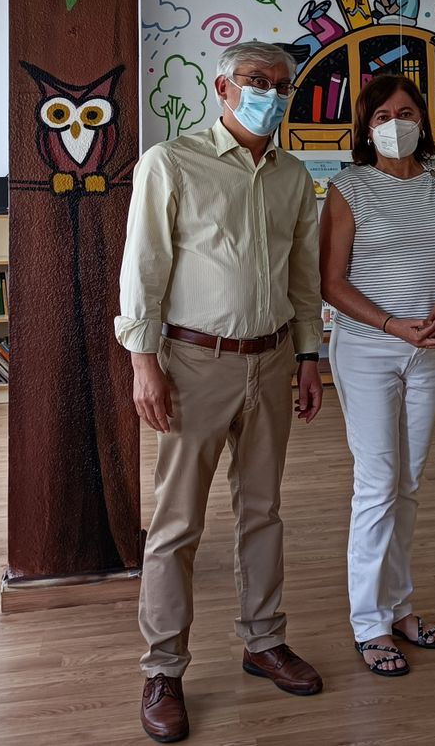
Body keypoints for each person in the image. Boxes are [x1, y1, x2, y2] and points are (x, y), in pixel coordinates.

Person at [117, 41, 326, 744]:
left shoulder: (294, 176)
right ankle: (164, 668)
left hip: (270, 362)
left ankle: (263, 640)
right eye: (254, 81)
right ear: (222, 86)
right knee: (177, 524)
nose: (269, 92)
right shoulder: (171, 162)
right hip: (191, 362)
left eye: (280, 84)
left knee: (264, 511)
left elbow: (304, 277)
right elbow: (143, 268)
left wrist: (307, 357)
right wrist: (144, 362)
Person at [319, 75, 435, 677]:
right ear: (366, 127)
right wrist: (392, 325)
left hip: (430, 349)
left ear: (424, 119)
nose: (396, 122)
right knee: (378, 482)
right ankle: (368, 624)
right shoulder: (348, 187)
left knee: (408, 481)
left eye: (407, 111)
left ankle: (398, 605)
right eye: (383, 114)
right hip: (367, 349)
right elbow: (330, 282)